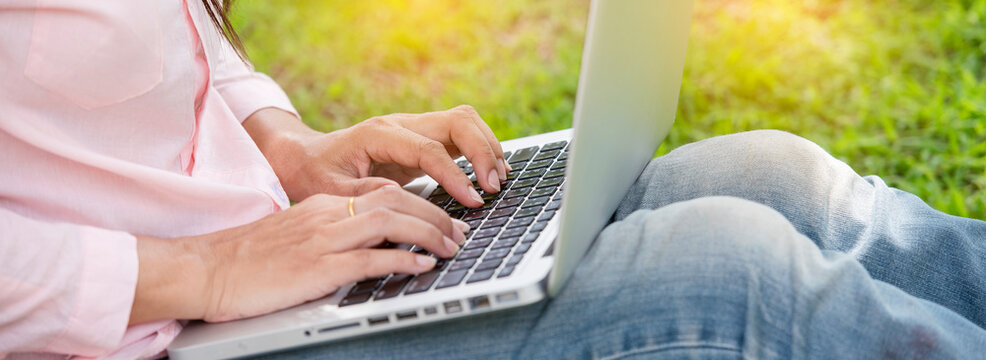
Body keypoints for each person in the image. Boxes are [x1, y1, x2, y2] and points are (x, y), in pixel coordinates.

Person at [1, 1, 984, 359]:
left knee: (770, 178)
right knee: (725, 274)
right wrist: (200, 271)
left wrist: (283, 143)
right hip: (147, 329)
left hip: (269, 252)